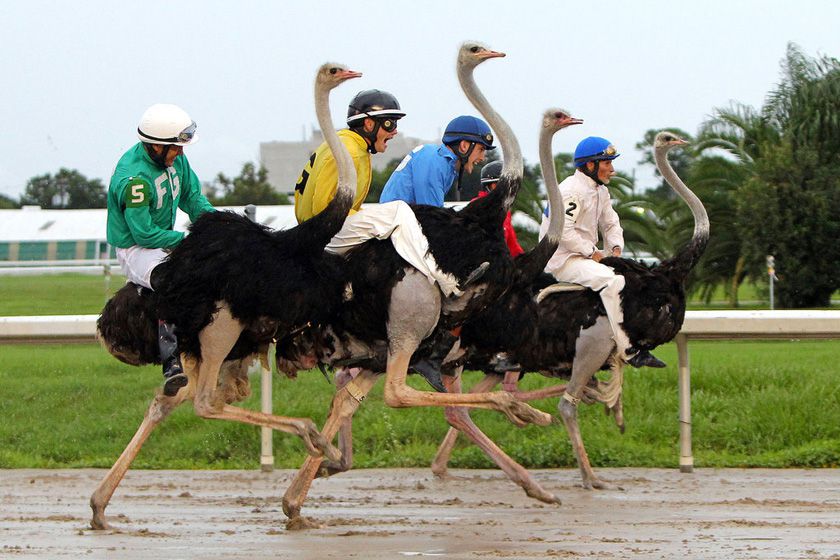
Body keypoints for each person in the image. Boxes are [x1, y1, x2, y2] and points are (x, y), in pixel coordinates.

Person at [106, 103, 215, 396]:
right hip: (136, 248)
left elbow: (193, 199)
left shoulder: (176, 160)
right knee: (171, 281)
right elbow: (143, 233)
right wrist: (185, 239)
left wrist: (218, 226)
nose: (180, 153)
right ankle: (171, 362)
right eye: (175, 148)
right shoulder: (134, 179)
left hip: (162, 239)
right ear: (156, 146)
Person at [541, 136, 664, 369]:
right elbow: (562, 231)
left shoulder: (600, 191)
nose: (612, 169)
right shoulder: (571, 191)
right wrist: (592, 252)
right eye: (607, 163)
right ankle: (629, 350)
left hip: (582, 257)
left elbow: (611, 223)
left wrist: (615, 248)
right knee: (614, 282)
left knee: (631, 277)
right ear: (590, 165)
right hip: (562, 260)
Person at [294, 89, 404, 223]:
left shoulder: (346, 142)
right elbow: (323, 209)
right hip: (321, 229)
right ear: (369, 124)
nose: (395, 131)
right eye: (390, 123)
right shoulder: (349, 152)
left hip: (316, 227)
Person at [379, 115, 494, 205]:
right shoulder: (435, 162)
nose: (482, 158)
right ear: (464, 146)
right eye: (481, 149)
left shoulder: (443, 162)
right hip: (395, 222)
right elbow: (430, 215)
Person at [477, 160, 523, 257]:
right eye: (509, 185)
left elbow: (513, 246)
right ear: (494, 186)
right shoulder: (476, 210)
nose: (512, 191)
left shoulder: (504, 211)